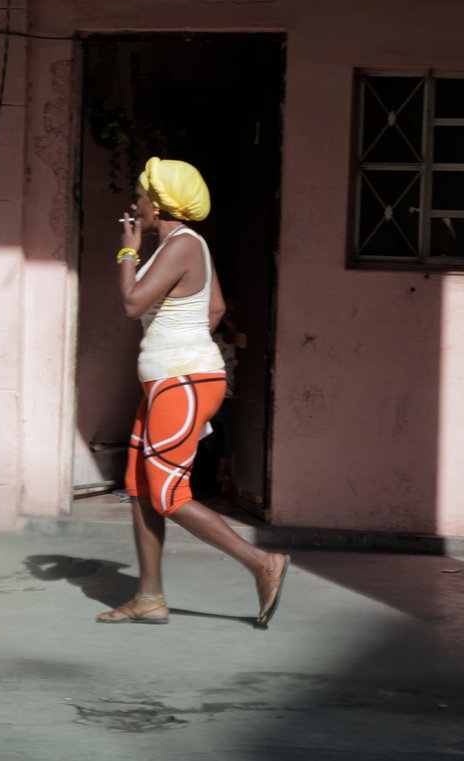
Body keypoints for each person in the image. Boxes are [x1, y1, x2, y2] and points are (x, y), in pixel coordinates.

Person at [97, 157, 289, 627]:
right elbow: (216, 306)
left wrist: (127, 252)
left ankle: (262, 562)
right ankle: (149, 597)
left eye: (140, 196)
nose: (135, 204)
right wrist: (182, 344)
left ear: (159, 203)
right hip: (172, 381)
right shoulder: (187, 245)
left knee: (168, 494)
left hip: (181, 383)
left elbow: (132, 303)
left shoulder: (181, 245)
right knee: (141, 488)